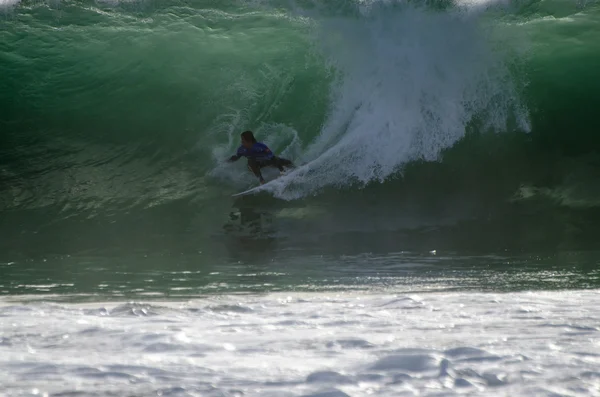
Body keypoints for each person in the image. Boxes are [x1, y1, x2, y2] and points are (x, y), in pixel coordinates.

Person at [227, 131, 294, 185]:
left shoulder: (260, 146)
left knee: (285, 162)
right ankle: (261, 181)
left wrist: (281, 171)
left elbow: (273, 157)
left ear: (249, 141)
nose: (241, 142)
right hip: (252, 166)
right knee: (251, 161)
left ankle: (293, 169)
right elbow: (237, 157)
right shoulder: (241, 149)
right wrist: (228, 161)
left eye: (243, 140)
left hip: (264, 162)